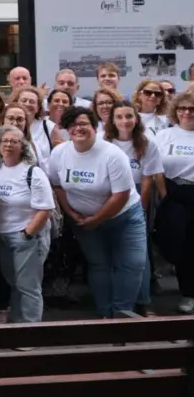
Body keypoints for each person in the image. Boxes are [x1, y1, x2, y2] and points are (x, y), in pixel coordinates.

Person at [49, 106, 146, 319]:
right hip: (83, 220)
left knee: (132, 264)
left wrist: (97, 219)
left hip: (124, 217)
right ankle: (104, 314)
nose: (78, 128)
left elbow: (121, 195)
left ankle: (121, 314)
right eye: (72, 125)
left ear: (94, 126)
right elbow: (57, 186)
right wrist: (71, 213)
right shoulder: (59, 153)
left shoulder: (112, 154)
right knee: (99, 265)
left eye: (83, 123)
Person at [104, 101, 165, 315]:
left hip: (137, 195)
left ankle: (143, 300)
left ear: (136, 119)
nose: (124, 121)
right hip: (109, 195)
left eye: (129, 116)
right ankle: (114, 303)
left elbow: (148, 179)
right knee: (113, 253)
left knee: (140, 255)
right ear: (112, 120)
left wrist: (141, 207)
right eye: (119, 117)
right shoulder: (104, 141)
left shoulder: (147, 144)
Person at [0, 125, 53, 326]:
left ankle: (31, 329)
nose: (8, 144)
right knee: (13, 283)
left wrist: (27, 234)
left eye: (14, 141)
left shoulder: (33, 172)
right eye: (5, 141)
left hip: (26, 238)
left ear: (23, 146)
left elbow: (45, 208)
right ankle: (17, 324)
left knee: (28, 287)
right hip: (2, 237)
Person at [154, 90, 194, 313]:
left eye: (191, 109)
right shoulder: (164, 136)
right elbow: (155, 168)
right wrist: (164, 194)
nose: (187, 112)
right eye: (182, 108)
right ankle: (188, 294)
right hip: (174, 194)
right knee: (181, 246)